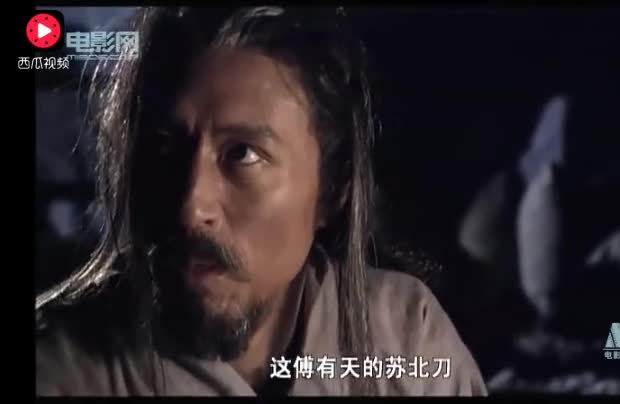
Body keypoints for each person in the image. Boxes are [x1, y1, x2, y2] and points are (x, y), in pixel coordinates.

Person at [35, 7, 487, 397]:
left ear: (333, 190)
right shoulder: (64, 369)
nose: (191, 207)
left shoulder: (404, 337)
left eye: (243, 155)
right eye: (164, 148)